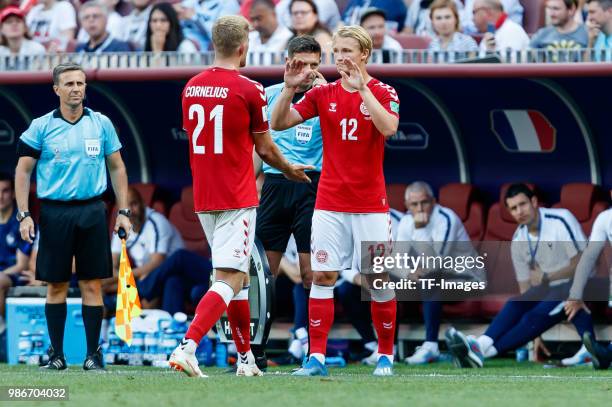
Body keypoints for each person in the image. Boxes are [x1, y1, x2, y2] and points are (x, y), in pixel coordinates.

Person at [168, 15, 312, 379]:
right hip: (236, 194)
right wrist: (291, 168)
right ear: (243, 46)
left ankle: (245, 359)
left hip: (205, 194)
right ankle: (188, 346)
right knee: (230, 278)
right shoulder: (249, 89)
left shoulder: (191, 87)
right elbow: (264, 148)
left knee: (240, 280)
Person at [271, 25, 400, 377]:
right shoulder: (322, 93)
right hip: (329, 202)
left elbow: (389, 128)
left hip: (371, 204)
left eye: (347, 51)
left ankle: (386, 355)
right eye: (337, 51)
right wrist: (288, 88)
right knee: (323, 275)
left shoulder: (383, 91)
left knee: (377, 279)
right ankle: (316, 358)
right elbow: (279, 122)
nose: (340, 57)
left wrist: (362, 92)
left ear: (364, 55)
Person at [14, 62, 132, 371]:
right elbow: (23, 171)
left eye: (80, 83)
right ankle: (57, 357)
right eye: (69, 84)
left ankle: (93, 356)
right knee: (56, 285)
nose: (76, 88)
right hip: (54, 212)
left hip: (93, 210)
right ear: (57, 90)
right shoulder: (40, 126)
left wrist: (123, 212)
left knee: (92, 285)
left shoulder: (101, 123)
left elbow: (118, 167)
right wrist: (24, 213)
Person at [445, 183, 596, 368]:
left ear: (533, 202)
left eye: (522, 204)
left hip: (580, 284)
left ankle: (480, 351)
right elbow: (525, 288)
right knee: (516, 303)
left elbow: (583, 261)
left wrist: (548, 276)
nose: (519, 211)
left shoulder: (560, 219)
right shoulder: (518, 238)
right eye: (514, 208)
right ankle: (481, 347)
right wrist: (535, 335)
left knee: (533, 316)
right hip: (549, 288)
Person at [254, 35, 323, 366]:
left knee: (312, 274)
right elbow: (256, 149)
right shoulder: (267, 95)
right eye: (301, 64)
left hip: (313, 186)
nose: (308, 71)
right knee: (266, 274)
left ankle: (315, 351)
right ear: (288, 62)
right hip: (276, 187)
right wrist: (252, 185)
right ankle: (256, 351)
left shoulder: (328, 96)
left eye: (313, 64)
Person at [397, 182, 484, 365]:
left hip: (467, 278)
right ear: (407, 206)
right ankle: (387, 348)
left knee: (429, 278)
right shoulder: (405, 221)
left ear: (434, 201)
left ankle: (431, 346)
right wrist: (407, 272)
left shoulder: (446, 218)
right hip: (436, 281)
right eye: (414, 204)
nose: (420, 208)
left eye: (425, 202)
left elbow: (435, 262)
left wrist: (420, 229)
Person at [104, 186, 185, 312]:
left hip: (168, 273)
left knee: (147, 298)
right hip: (141, 275)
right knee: (101, 283)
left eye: (134, 204)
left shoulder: (157, 221)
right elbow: (112, 262)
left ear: (142, 203)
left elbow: (157, 262)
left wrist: (118, 279)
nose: (130, 210)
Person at [564, 189, 612, 370]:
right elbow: (588, 258)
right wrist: (575, 294)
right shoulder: (605, 218)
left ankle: (604, 353)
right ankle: (601, 352)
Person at [0, 173, 34, 334]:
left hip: (15, 275)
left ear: (13, 193)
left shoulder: (22, 223)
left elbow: (22, 265)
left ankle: (4, 330)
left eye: (5, 191)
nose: (0, 196)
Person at [174, 0, 240, 52]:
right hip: (181, 40)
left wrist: (195, 18)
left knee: (187, 47)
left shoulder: (228, 3)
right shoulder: (189, 2)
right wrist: (172, 11)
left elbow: (220, 36)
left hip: (206, 50)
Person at [248, 0, 293, 64]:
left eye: (259, 18)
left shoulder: (289, 38)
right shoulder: (248, 38)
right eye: (253, 19)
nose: (255, 24)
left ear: (273, 15)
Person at [343, 0, 408, 32]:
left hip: (376, 48)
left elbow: (404, 30)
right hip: (350, 44)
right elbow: (342, 22)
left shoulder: (393, 2)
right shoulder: (355, 1)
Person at [275, 0, 341, 32]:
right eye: (295, 13)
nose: (299, 16)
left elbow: (312, 28)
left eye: (303, 13)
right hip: (297, 40)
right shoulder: (283, 4)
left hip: (327, 42)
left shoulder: (324, 2)